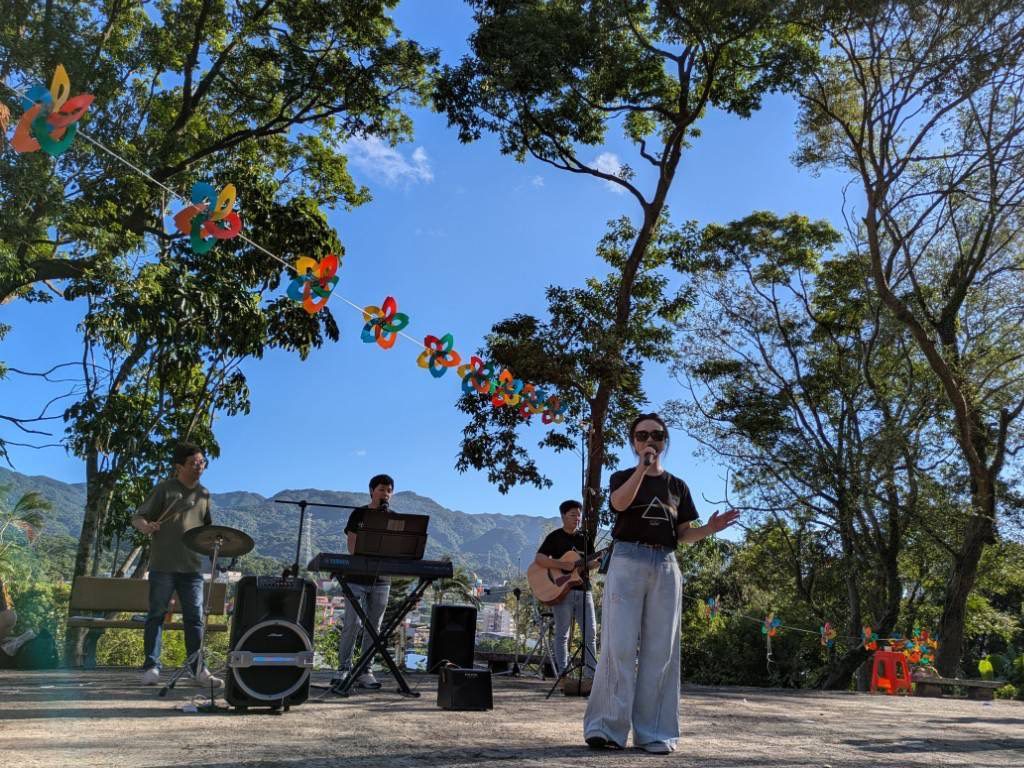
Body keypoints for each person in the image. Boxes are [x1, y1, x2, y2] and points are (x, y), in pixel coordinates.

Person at [583, 413, 739, 754]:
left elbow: (683, 535)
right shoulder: (622, 476)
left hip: (666, 564)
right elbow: (618, 503)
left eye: (656, 434)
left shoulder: (677, 486)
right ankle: (606, 729)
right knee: (618, 646)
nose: (649, 440)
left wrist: (709, 530)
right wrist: (642, 468)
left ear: (665, 440)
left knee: (661, 651)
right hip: (627, 559)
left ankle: (654, 732)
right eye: (642, 436)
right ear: (633, 442)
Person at [131, 442, 222, 688]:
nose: (200, 467)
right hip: (163, 565)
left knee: (195, 620)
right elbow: (138, 517)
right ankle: (152, 666)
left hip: (192, 568)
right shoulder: (165, 489)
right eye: (194, 463)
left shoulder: (204, 495)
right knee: (156, 616)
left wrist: (215, 553)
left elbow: (207, 531)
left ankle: (198, 668)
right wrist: (147, 527)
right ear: (179, 466)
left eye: (202, 462)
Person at [335, 473, 395, 690]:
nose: (385, 493)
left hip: (382, 580)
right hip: (356, 578)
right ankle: (343, 669)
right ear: (371, 491)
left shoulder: (393, 518)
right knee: (353, 623)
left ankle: (365, 671)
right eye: (381, 489)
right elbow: (351, 545)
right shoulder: (358, 514)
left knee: (374, 627)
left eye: (389, 490)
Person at [534, 499, 598, 691]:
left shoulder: (585, 539)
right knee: (562, 634)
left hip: (584, 589)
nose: (577, 518)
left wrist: (594, 563)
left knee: (591, 634)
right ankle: (564, 675)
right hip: (561, 591)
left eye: (579, 515)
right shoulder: (555, 537)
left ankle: (590, 678)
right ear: (563, 516)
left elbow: (591, 563)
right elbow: (540, 559)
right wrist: (563, 565)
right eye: (572, 515)